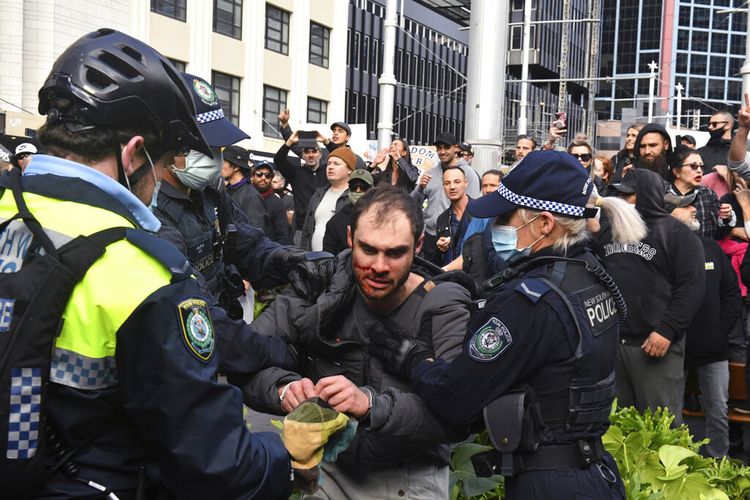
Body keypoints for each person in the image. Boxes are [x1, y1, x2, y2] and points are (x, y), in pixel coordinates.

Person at [3, 28, 292, 498]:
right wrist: (284, 460)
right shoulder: (141, 272)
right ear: (134, 153)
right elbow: (214, 466)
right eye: (159, 164)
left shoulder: (7, 210)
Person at [370, 150, 648, 499]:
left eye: (505, 216)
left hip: (548, 484)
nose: (495, 226)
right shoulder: (587, 274)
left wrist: (416, 360)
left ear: (544, 223)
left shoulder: (530, 301)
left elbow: (457, 398)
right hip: (594, 473)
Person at [239, 186, 471, 499]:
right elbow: (247, 357)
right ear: (350, 238)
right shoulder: (319, 285)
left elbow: (458, 412)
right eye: (368, 249)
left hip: (408, 475)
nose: (378, 266)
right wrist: (285, 389)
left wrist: (369, 404)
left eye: (395, 253)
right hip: (329, 472)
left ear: (418, 246)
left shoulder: (441, 305)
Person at [598, 169, 705, 421]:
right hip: (615, 344)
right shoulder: (608, 231)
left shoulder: (677, 234)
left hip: (655, 345)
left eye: (630, 195)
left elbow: (692, 287)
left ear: (647, 195)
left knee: (660, 429)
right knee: (618, 429)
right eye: (620, 195)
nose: (623, 201)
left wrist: (668, 329)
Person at [667, 192, 741, 458]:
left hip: (714, 349)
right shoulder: (661, 250)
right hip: (673, 347)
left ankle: (718, 462)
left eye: (693, 205)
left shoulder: (711, 247)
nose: (694, 209)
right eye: (685, 206)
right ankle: (674, 463)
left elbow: (732, 294)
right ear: (669, 214)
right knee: (670, 414)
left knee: (718, 411)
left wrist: (720, 332)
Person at [411, 131, 481, 266]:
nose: (442, 152)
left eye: (446, 147)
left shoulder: (468, 174)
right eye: (439, 148)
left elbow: (473, 207)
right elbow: (412, 204)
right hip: (430, 234)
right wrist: (420, 188)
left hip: (455, 234)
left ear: (455, 148)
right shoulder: (430, 173)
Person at [666, 145, 734, 239]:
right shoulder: (660, 192)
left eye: (702, 167)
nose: (699, 171)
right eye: (693, 166)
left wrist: (726, 218)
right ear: (676, 171)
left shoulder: (708, 195)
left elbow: (718, 234)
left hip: (702, 251)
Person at [274, 130, 329, 245]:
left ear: (320, 154)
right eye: (307, 152)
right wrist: (289, 142)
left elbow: (342, 157)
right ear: (303, 155)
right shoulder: (295, 173)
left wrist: (326, 141)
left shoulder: (327, 172)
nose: (310, 155)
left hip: (323, 227)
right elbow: (278, 160)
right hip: (302, 229)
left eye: (314, 151)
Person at [300, 146, 355, 251]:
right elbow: (306, 228)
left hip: (339, 261)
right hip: (312, 260)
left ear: (349, 170)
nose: (330, 167)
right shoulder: (318, 194)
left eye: (336, 164)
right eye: (329, 163)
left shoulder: (353, 196)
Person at [435, 166, 490, 270]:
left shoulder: (480, 211)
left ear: (466, 183)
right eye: (447, 183)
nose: (452, 187)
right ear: (443, 186)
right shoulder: (442, 219)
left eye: (457, 182)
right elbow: (438, 260)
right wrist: (440, 248)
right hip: (453, 278)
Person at [322, 168, 373, 255]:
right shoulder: (336, 221)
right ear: (349, 188)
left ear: (371, 189)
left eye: (363, 186)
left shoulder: (382, 216)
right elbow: (328, 257)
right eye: (354, 186)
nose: (358, 190)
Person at [221, 144, 270, 233]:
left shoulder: (252, 196)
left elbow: (255, 233)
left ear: (236, 167)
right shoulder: (226, 191)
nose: (219, 165)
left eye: (223, 161)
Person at [252, 160, 292, 245]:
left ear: (271, 178)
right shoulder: (245, 196)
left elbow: (283, 236)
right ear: (252, 176)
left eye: (267, 175)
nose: (263, 178)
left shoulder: (277, 203)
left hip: (266, 253)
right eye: (259, 174)